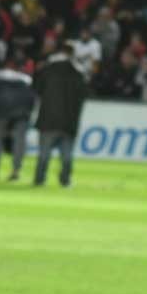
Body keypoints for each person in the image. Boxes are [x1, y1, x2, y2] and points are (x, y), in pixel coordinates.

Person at [32, 42, 89, 187]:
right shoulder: (78, 73)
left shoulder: (48, 69)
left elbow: (37, 89)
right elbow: (84, 94)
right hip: (69, 121)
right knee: (67, 156)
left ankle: (39, 179)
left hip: (48, 119)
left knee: (44, 155)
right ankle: (65, 180)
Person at [0, 52, 37, 182]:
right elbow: (32, 99)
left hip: (1, 112)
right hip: (21, 114)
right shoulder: (26, 80)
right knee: (19, 142)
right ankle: (16, 170)